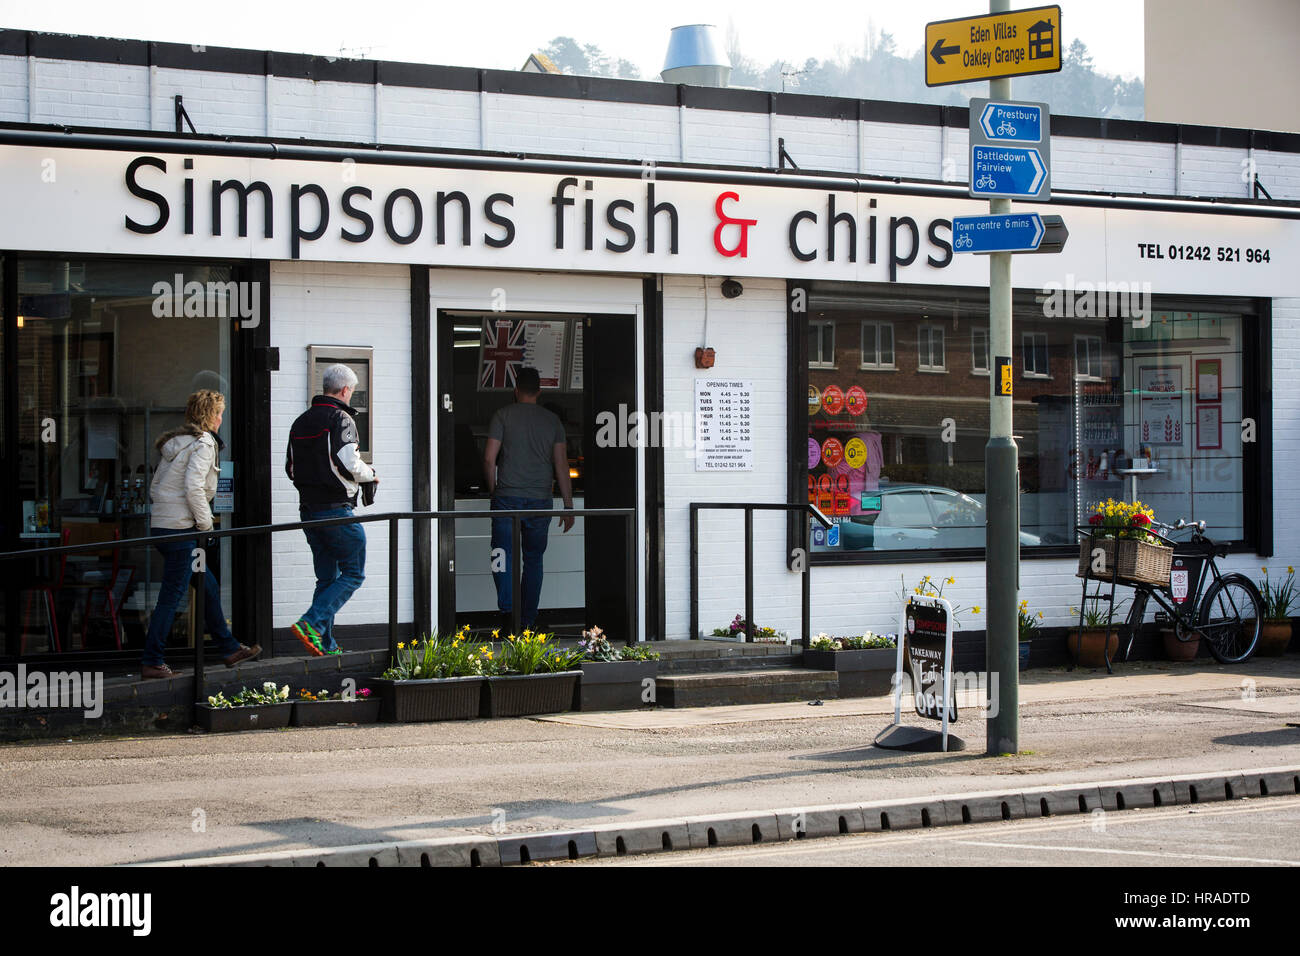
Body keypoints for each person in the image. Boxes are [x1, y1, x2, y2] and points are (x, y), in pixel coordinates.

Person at [142, 390, 260, 679]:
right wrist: (206, 526)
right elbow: (194, 488)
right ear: (210, 416)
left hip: (163, 527)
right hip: (182, 533)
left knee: (207, 586)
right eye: (219, 413)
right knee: (172, 597)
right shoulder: (204, 443)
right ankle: (153, 661)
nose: (221, 419)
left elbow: (154, 489)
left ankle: (229, 647)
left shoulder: (177, 444)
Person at [285, 364, 376, 655]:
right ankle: (310, 624)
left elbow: (290, 468)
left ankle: (325, 645)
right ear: (346, 390)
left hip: (308, 512)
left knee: (326, 578)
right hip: (337, 510)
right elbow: (348, 462)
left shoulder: (300, 422)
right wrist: (370, 474)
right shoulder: (342, 418)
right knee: (353, 573)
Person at [483, 366, 574, 631]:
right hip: (540, 501)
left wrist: (494, 491)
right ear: (539, 391)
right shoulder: (552, 422)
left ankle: (508, 616)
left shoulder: (502, 416)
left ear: (515, 390)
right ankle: (528, 622)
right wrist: (568, 507)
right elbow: (561, 466)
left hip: (507, 499)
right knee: (533, 561)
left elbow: (489, 459)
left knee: (502, 556)